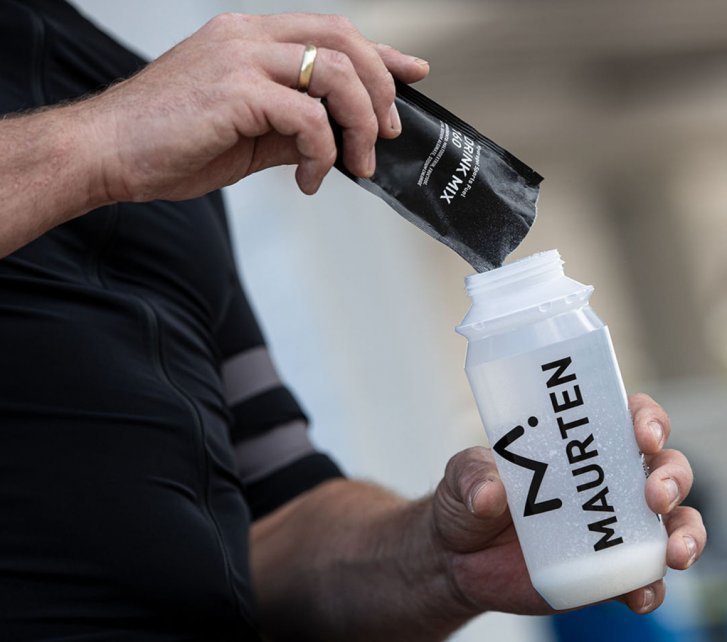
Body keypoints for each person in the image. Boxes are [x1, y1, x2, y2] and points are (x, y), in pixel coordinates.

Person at [0, 1, 706, 640]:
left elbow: (270, 520)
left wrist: (440, 560)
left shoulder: (125, 86)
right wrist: (91, 146)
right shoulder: (122, 121)